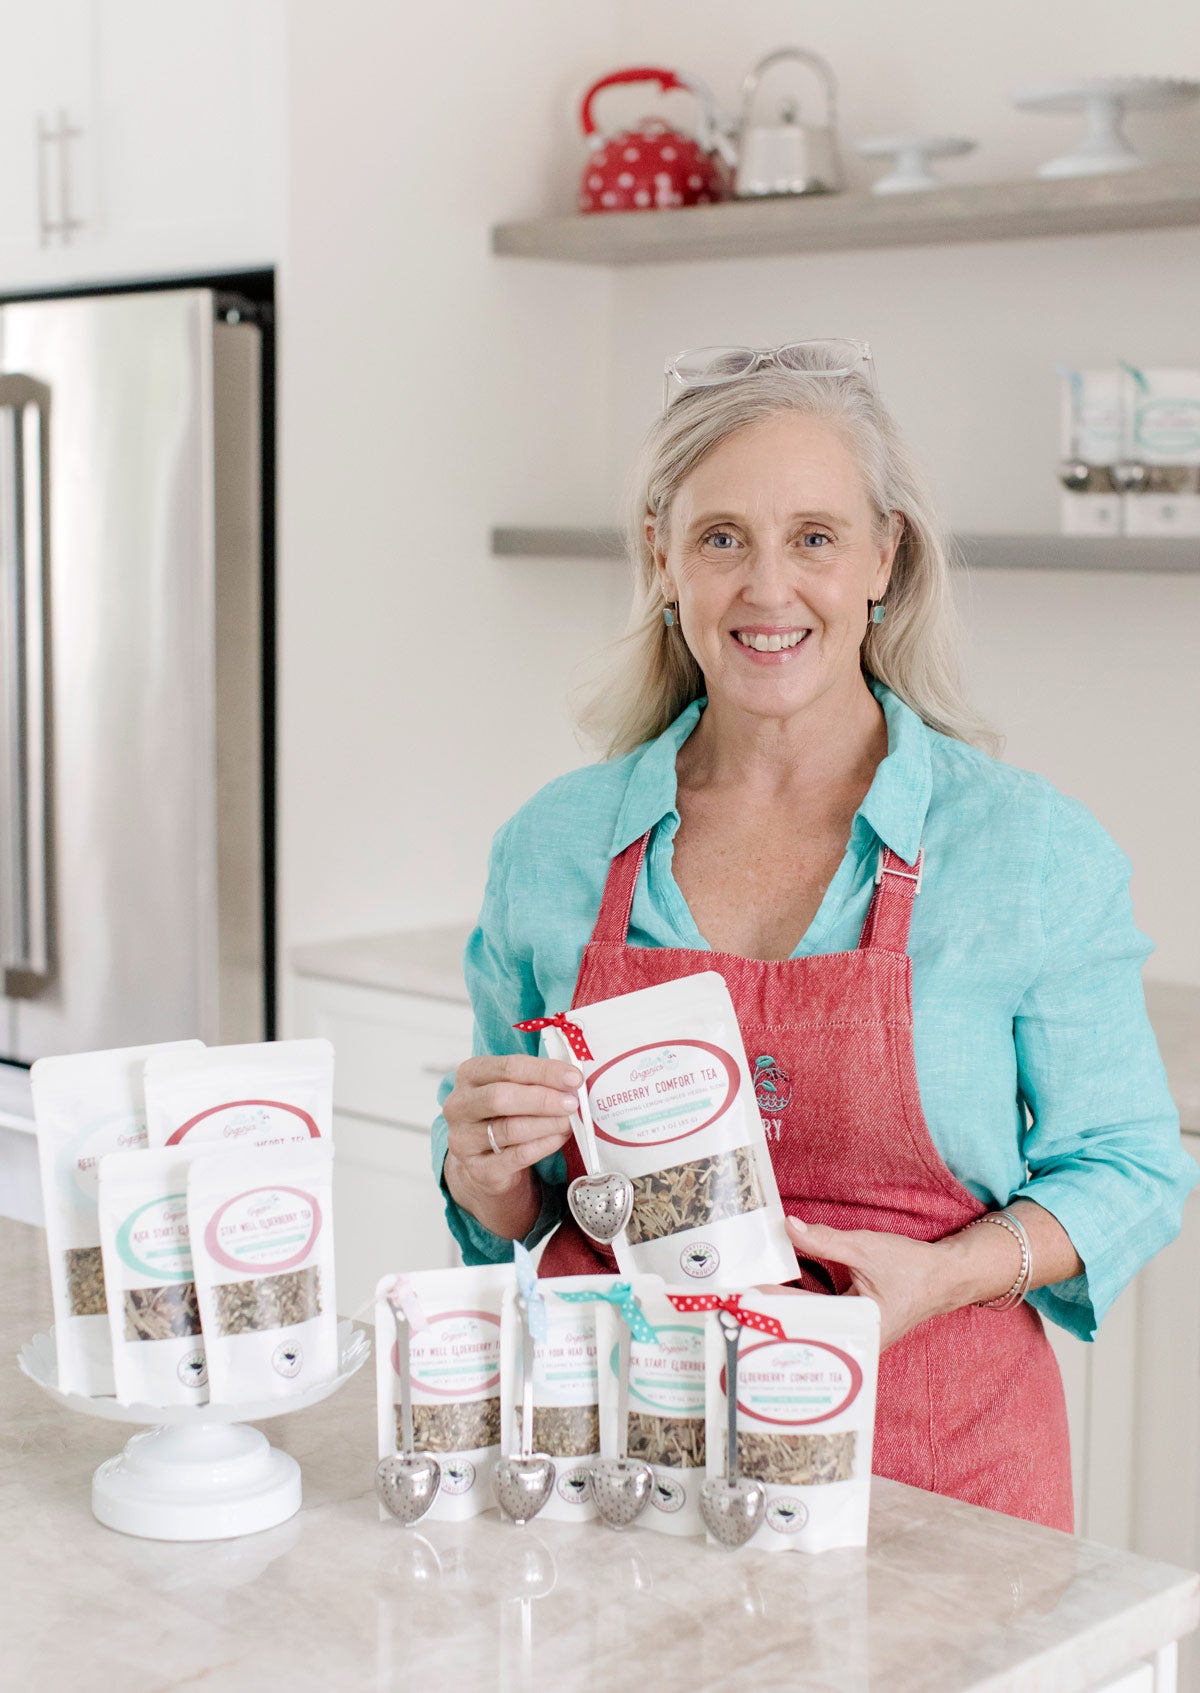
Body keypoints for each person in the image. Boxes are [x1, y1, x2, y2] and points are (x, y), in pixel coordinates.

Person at [431, 338, 1196, 1529]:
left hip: (941, 1482)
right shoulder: (554, 847)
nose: (767, 588)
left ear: (887, 556)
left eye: (817, 538)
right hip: (631, 1477)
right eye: (722, 537)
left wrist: (945, 1273)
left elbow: (1133, 1168)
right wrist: (482, 1179)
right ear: (662, 557)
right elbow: (525, 1203)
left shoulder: (1026, 850)